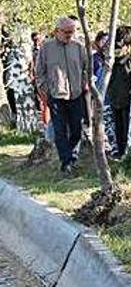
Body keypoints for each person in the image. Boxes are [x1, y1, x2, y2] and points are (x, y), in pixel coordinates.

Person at [35, 17, 89, 175]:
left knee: (76, 129)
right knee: (59, 130)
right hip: (56, 95)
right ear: (57, 31)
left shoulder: (78, 47)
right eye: (66, 32)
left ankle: (72, 156)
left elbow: (86, 68)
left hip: (76, 95)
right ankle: (66, 161)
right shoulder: (46, 48)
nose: (69, 35)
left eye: (72, 32)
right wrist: (46, 89)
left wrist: (83, 83)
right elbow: (39, 73)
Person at [105, 26, 131, 158]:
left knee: (120, 125)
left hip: (117, 94)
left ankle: (122, 151)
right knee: (124, 125)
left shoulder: (111, 57)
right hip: (125, 94)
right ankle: (125, 151)